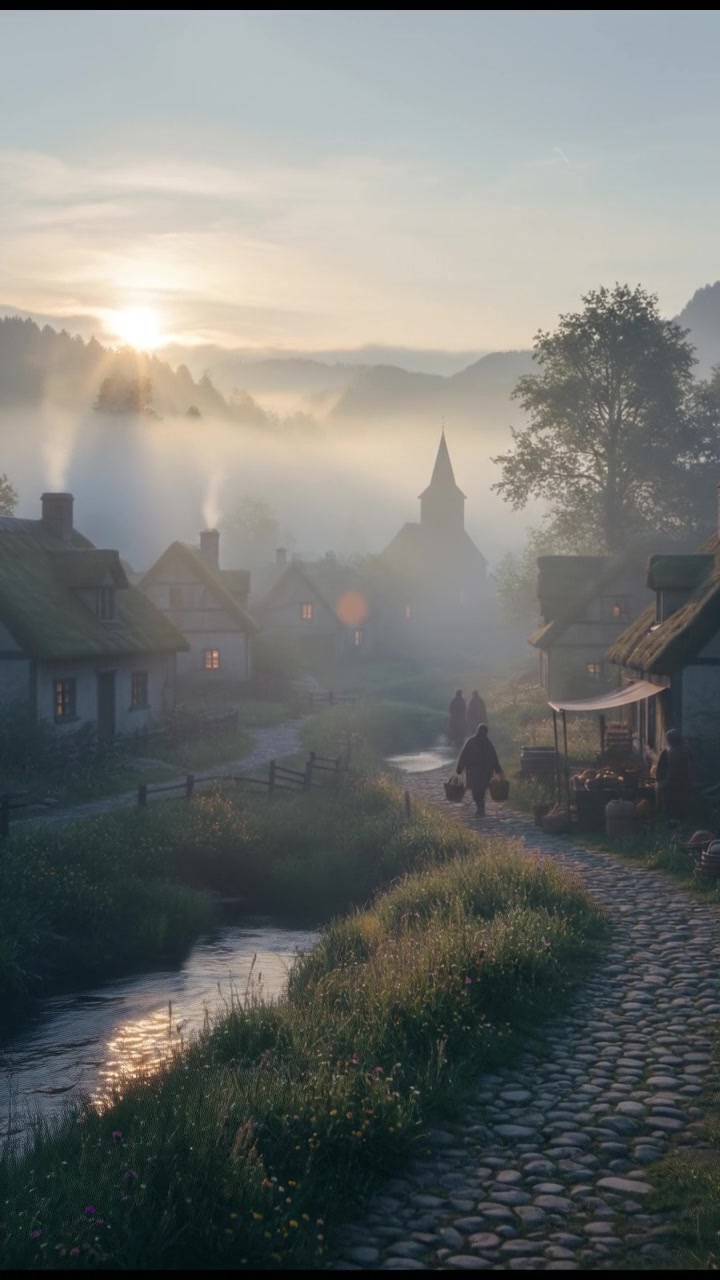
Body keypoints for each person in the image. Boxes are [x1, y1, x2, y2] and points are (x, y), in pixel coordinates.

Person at [456, 723, 503, 816]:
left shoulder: (472, 741)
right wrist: (498, 770)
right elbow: (494, 758)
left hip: (474, 771)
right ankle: (480, 808)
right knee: (480, 790)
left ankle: (480, 808)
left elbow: (463, 756)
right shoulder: (487, 743)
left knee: (476, 791)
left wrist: (459, 769)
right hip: (484, 772)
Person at [655, 728, 691, 821]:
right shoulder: (686, 748)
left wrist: (662, 784)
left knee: (669, 802)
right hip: (683, 783)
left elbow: (671, 773)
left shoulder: (672, 752)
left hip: (674, 784)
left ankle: (668, 818)